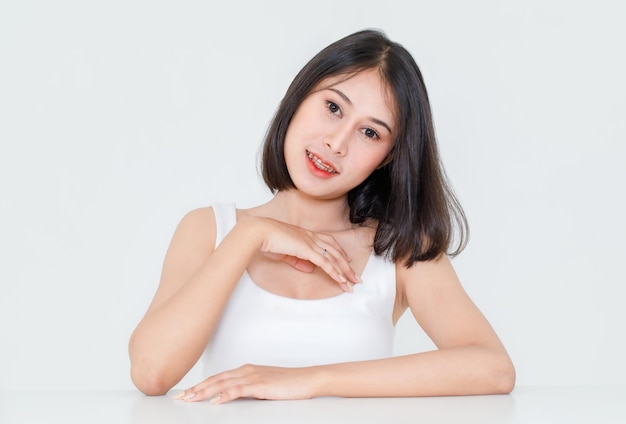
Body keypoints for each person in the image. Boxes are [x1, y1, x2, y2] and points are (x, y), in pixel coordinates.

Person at [128, 28, 515, 404]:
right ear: (299, 97)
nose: (336, 143)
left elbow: (493, 368)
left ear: (390, 157)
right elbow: (151, 372)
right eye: (332, 108)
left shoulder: (398, 249)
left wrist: (309, 380)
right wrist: (251, 236)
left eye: (370, 133)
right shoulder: (209, 229)